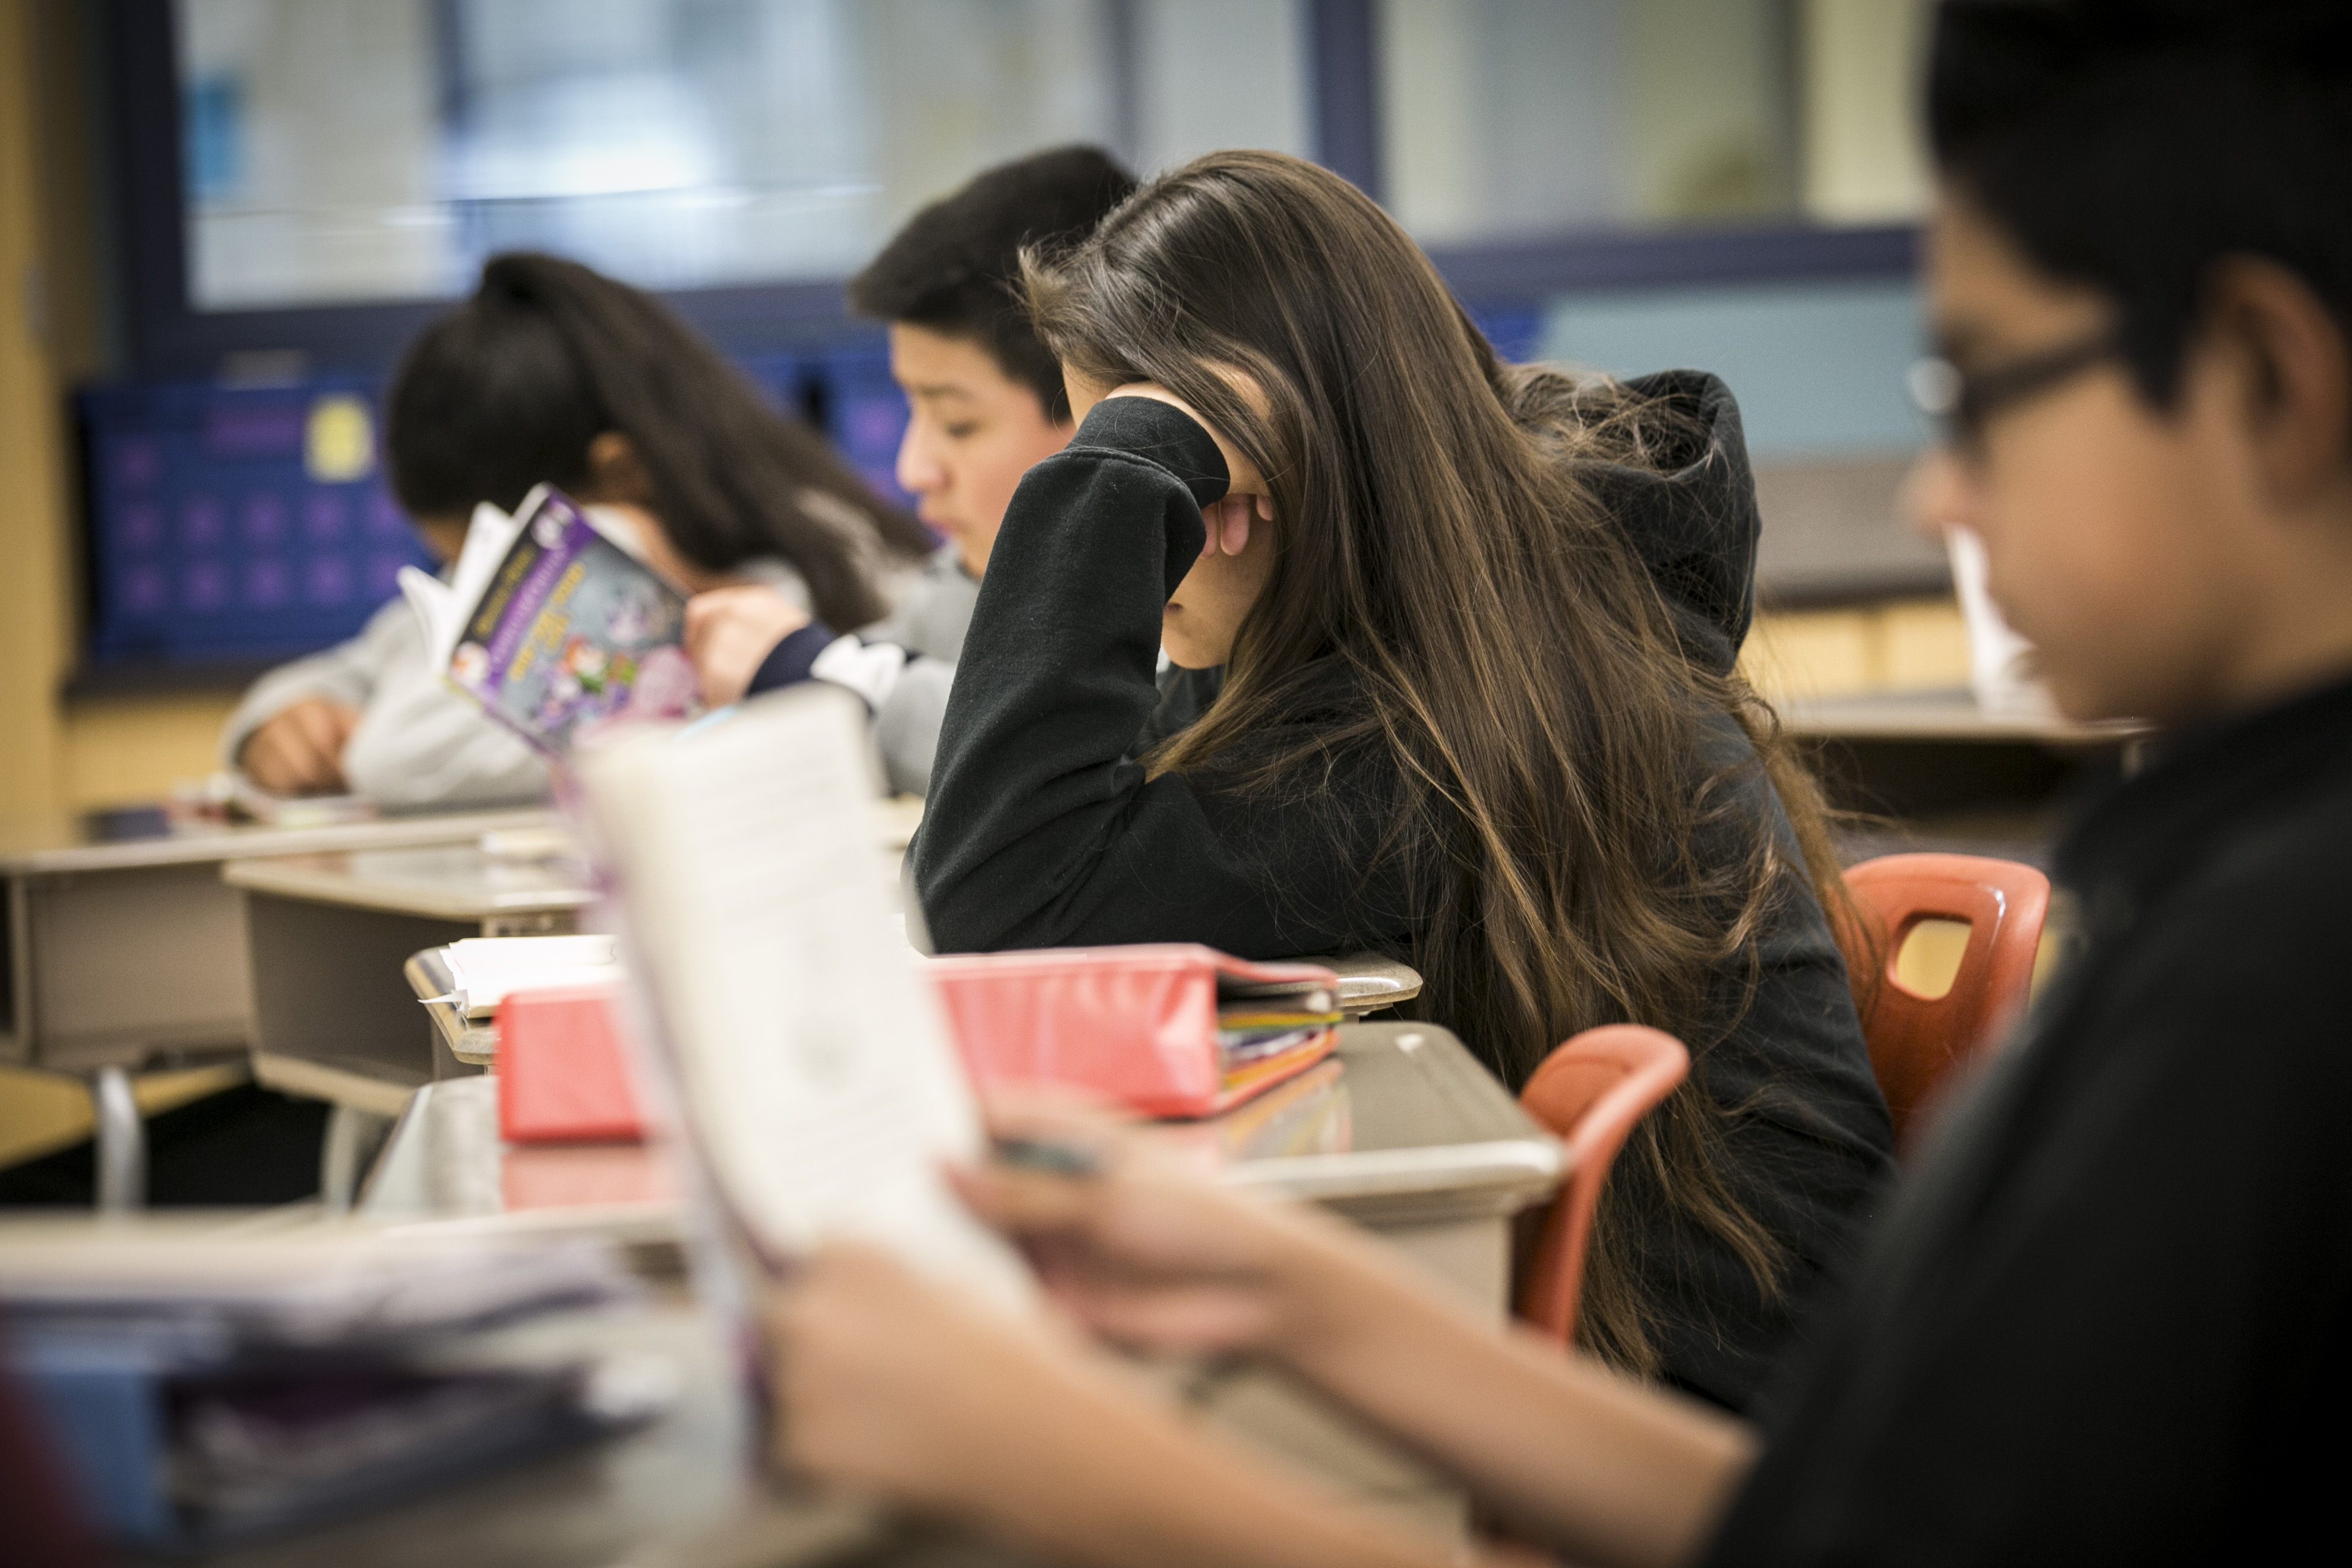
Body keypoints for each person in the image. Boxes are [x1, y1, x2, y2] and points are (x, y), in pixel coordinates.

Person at [767, 2, 2352, 1562]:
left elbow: (1000, 900)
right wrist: (1284, 1289)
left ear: (2267, 380)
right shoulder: (2217, 889)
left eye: (1980, 385)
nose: (1937, 484)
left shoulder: (2266, 977)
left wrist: (1069, 1473)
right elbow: (1822, 1512)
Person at [904, 147, 1893, 1412]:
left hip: (1716, 1449)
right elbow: (1007, 868)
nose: (1174, 527)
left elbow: (998, 916)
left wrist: (1116, 467)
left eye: (1178, 467)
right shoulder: (1439, 657)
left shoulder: (1429, 739)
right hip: (1636, 1397)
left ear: (1273, 473)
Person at [223, 252, 930, 807]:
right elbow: (368, 663)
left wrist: (613, 543)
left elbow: (394, 757)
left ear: (618, 480)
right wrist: (279, 721)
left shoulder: (815, 583)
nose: (478, 613)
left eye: (498, 575)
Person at [681, 146, 1137, 795]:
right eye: (912, 412)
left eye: (958, 424)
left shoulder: (1187, 596)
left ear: (1100, 404)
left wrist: (816, 673)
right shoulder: (969, 580)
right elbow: (882, 669)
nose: (914, 468)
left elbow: (1095, 758)